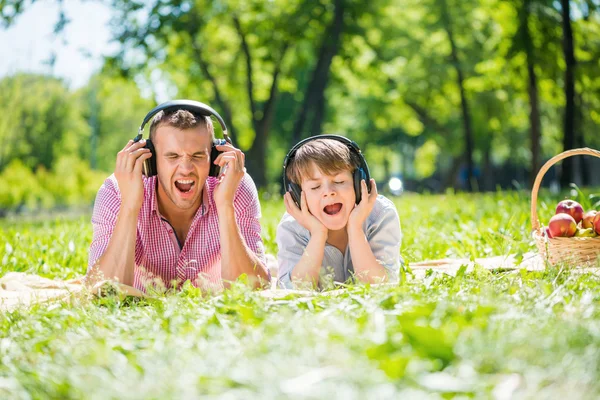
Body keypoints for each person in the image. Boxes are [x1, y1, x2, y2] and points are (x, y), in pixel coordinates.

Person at [87, 100, 269, 291]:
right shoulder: (116, 190)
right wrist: (130, 206)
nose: (186, 169)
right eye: (172, 156)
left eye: (198, 156)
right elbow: (100, 291)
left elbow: (255, 289)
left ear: (215, 159)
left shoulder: (234, 185)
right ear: (151, 160)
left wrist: (225, 206)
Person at [277, 135, 402, 289]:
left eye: (339, 182)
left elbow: (380, 287)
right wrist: (318, 234)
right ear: (297, 194)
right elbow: (295, 291)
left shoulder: (380, 214)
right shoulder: (291, 227)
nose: (328, 192)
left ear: (358, 182)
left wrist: (355, 229)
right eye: (315, 187)